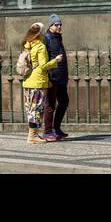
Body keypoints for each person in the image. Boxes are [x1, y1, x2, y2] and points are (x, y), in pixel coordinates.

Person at [20, 23, 61, 144]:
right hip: (37, 82)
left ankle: (32, 134)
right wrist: (56, 60)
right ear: (41, 33)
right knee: (36, 109)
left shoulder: (27, 45)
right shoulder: (40, 46)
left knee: (30, 109)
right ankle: (32, 136)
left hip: (27, 81)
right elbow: (43, 66)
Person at [41, 14, 69, 142]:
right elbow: (44, 59)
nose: (59, 26)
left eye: (60, 24)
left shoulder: (58, 37)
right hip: (52, 77)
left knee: (64, 102)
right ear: (50, 26)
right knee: (50, 105)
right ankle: (47, 131)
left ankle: (56, 128)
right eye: (56, 24)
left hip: (61, 77)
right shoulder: (46, 38)